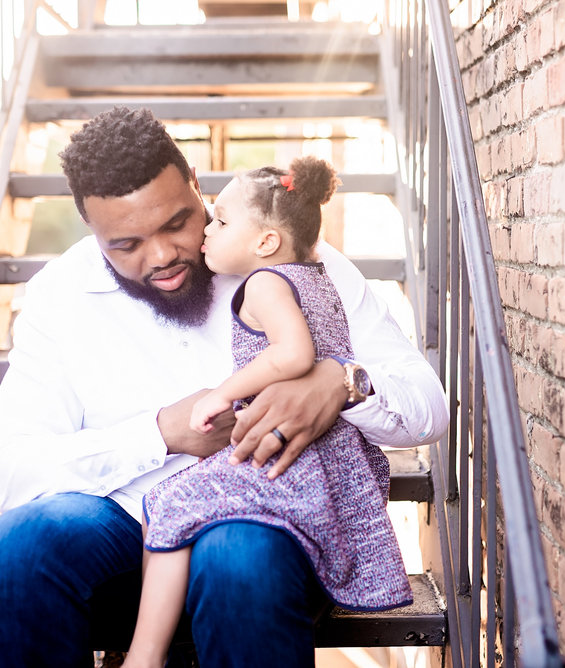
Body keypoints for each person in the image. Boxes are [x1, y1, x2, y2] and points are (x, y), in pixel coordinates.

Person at [0, 106, 448, 668]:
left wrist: (343, 383)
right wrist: (159, 435)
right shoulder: (61, 295)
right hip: (126, 526)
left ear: (198, 185)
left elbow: (428, 407)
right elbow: (8, 468)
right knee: (11, 554)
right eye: (127, 244)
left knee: (237, 558)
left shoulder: (291, 258)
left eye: (178, 223)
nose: (163, 255)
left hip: (269, 527)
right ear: (92, 231)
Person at [121, 156, 414, 668]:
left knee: (166, 505)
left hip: (294, 458)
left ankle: (143, 658)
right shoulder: (317, 277)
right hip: (329, 459)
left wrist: (221, 393)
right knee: (183, 510)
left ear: (265, 243)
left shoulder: (264, 284)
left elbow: (294, 354)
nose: (207, 231)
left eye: (222, 220)